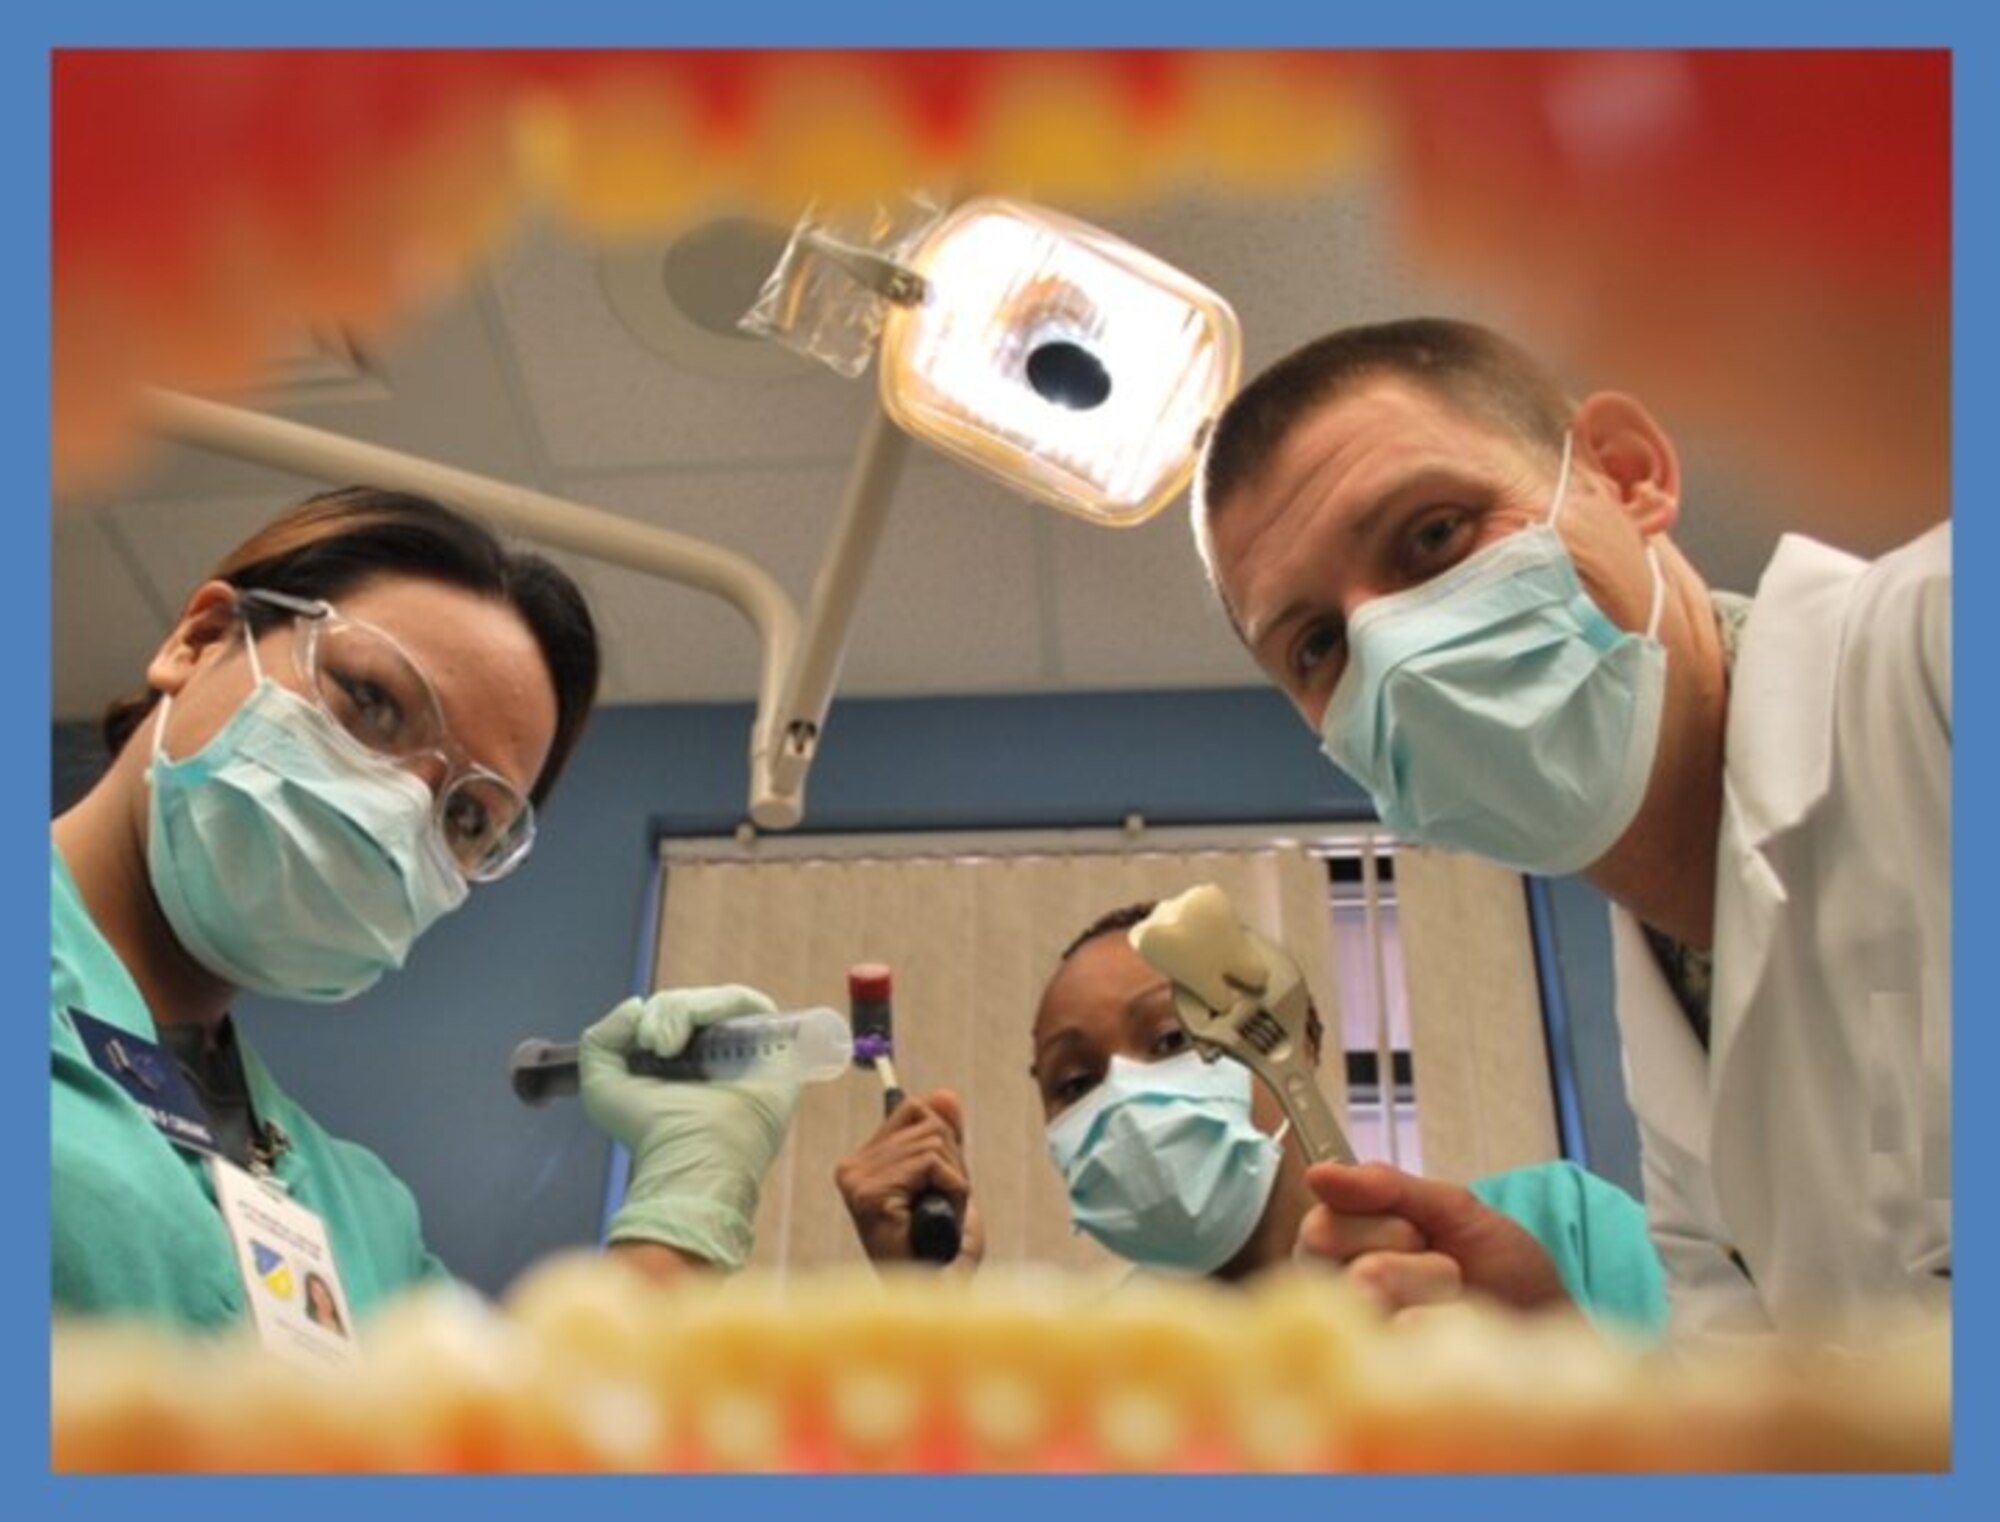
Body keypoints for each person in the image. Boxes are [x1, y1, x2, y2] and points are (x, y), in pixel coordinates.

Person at [1187, 317, 1949, 1342]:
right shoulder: (1674, 1046)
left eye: (1433, 534)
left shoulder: (1937, 651)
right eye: (1317, 644)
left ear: (1624, 477)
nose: (1391, 655)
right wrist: (1557, 1351)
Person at [52, 486, 800, 1333]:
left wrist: (683, 1210)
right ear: (201, 641)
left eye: (468, 817)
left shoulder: (361, 1222)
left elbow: (524, 1452)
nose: (401, 812)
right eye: (372, 703)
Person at [837, 903, 1668, 1339]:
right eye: (1074, 1081)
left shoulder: (1554, 1233)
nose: (1125, 1092)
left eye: (1170, 1037)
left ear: (1296, 1041)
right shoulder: (1090, 1368)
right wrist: (926, 1316)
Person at [303, 1271, 346, 1336]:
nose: (321, 1296)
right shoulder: (309, 1320)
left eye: (324, 1292)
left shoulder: (342, 1324)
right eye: (316, 1291)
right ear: (310, 1296)